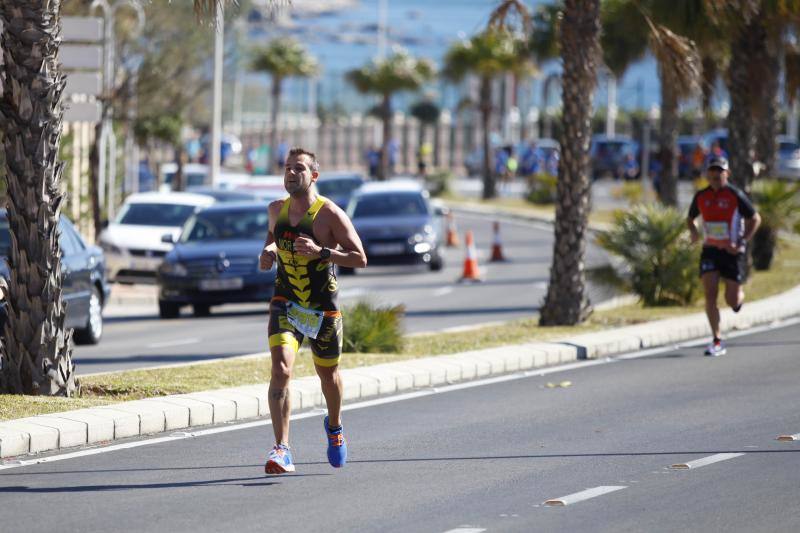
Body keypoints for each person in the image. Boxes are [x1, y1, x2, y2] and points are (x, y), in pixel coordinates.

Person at [259, 147, 367, 474]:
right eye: (288, 168)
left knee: (329, 377)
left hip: (323, 310)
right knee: (281, 369)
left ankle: (334, 428)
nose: (291, 173)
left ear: (314, 176)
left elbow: (359, 257)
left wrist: (323, 252)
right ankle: (282, 449)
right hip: (286, 303)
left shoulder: (331, 214)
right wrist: (267, 251)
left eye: (300, 169)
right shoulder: (275, 210)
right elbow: (273, 239)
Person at [687, 156, 760, 357]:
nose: (715, 176)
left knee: (731, 300)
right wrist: (694, 233)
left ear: (726, 173)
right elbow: (690, 218)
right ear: (707, 174)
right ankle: (717, 339)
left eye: (719, 172)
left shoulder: (735, 195)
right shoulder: (701, 196)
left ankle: (738, 299)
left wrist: (742, 241)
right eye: (712, 172)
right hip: (710, 250)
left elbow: (754, 218)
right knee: (710, 293)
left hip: (732, 252)